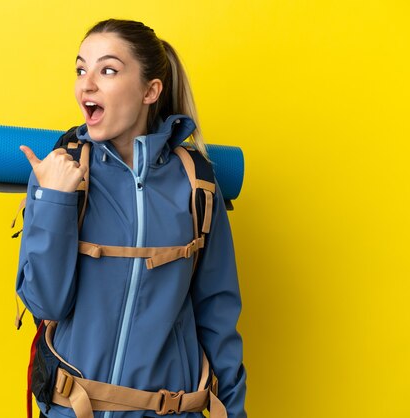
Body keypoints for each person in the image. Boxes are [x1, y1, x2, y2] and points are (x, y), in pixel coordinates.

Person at [15, 18, 247, 418]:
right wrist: (53, 200)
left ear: (150, 90)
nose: (86, 84)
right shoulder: (62, 171)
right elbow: (45, 304)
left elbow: (218, 316)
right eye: (80, 69)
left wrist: (236, 412)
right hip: (75, 409)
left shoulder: (197, 184)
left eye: (107, 70)